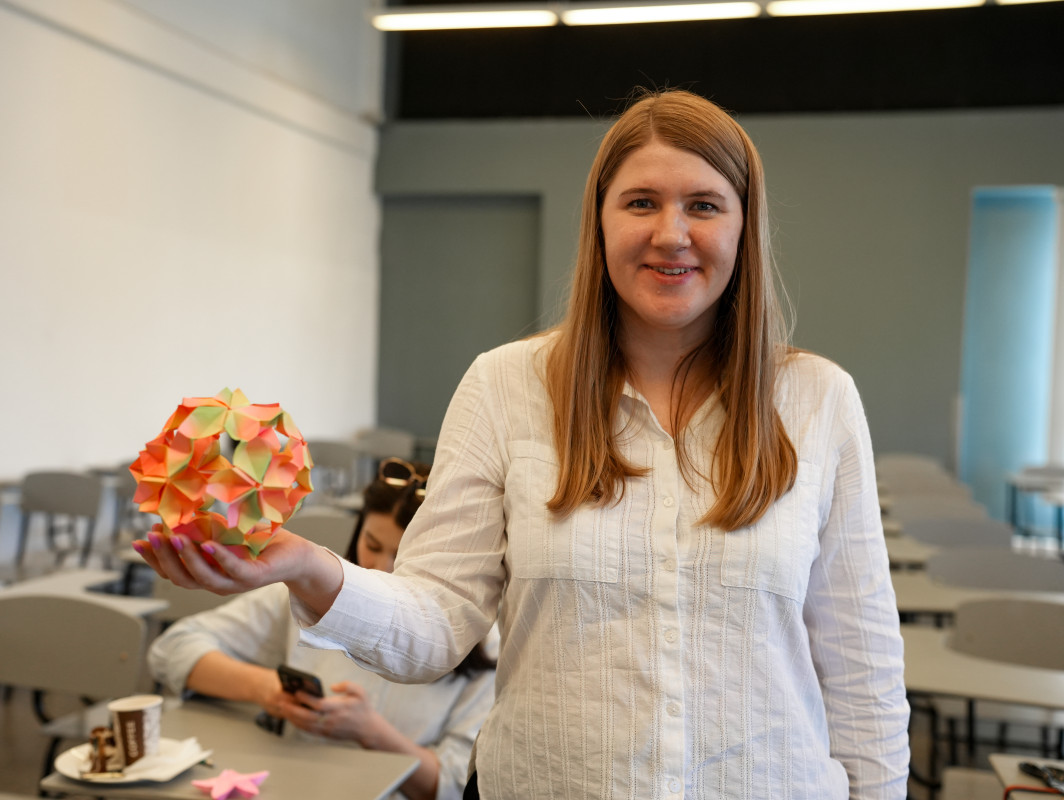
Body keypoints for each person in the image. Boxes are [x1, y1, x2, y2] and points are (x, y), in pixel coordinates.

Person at [135, 88, 910, 799]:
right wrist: (309, 568)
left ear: (744, 225)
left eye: (704, 205)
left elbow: (864, 672)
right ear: (600, 222)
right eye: (641, 202)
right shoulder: (504, 387)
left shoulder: (819, 401)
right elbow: (437, 622)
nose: (671, 233)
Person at [145, 461, 497, 800]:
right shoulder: (304, 597)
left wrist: (373, 733)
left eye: (403, 556)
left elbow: (455, 786)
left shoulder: (484, 645)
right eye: (372, 545)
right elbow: (172, 648)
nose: (381, 568)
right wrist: (266, 689)